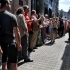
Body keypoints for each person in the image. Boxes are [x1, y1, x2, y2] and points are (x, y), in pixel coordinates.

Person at [0, 0, 22, 70]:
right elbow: (16, 31)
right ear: (6, 4)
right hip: (10, 43)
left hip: (1, 44)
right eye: (9, 4)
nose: (10, 5)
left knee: (3, 63)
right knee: (13, 63)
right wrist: (19, 44)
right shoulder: (12, 16)